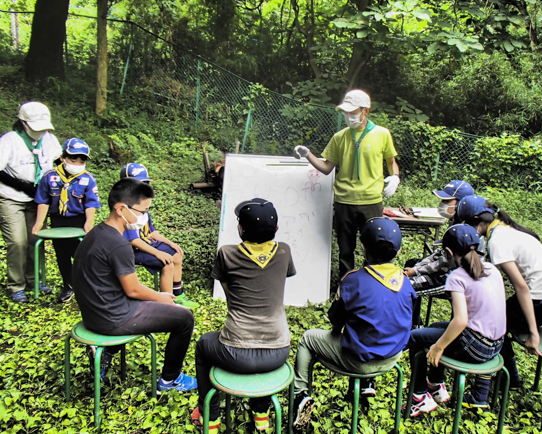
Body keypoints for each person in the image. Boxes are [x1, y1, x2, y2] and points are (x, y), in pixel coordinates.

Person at [71, 178, 196, 392]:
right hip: (112, 317)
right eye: (142, 211)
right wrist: (162, 297)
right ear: (121, 209)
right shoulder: (119, 245)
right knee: (184, 319)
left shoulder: (96, 233)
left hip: (93, 313)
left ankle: (105, 353)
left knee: (156, 305)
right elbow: (134, 289)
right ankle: (170, 380)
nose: (144, 217)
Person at [292, 217, 415, 430]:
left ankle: (299, 395)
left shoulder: (353, 279)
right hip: (393, 357)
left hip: (359, 360)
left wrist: (338, 328)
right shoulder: (407, 283)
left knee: (308, 339)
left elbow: (335, 320)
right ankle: (366, 386)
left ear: (362, 246)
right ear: (400, 250)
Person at [192, 198, 295, 433]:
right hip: (278, 351)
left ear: (240, 229)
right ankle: (261, 416)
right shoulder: (284, 251)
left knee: (202, 345)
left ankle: (211, 417)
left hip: (233, 351)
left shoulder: (226, 253)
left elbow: (230, 296)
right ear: (277, 228)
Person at [456, 194, 542, 393]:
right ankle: (509, 377)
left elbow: (521, 287)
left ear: (476, 222)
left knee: (493, 326)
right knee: (498, 320)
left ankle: (499, 382)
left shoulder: (497, 241)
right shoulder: (508, 229)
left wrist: (533, 333)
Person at [293, 90, 401, 278]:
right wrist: (308, 154)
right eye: (346, 112)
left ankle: (372, 283)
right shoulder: (340, 137)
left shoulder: (382, 134)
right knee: (345, 249)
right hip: (344, 201)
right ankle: (346, 285)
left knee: (374, 246)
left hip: (371, 201)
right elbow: (327, 167)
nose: (348, 116)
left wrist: (395, 177)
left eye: (353, 112)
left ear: (365, 111)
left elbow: (391, 162)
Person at [406, 224, 506, 416]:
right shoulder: (492, 269)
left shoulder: (457, 276)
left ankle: (420, 397)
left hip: (475, 346)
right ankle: (435, 385)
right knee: (435, 327)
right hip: (496, 345)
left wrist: (438, 347)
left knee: (415, 338)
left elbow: (460, 321)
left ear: (449, 252)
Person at [0, 102, 62, 303]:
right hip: (11, 198)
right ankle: (16, 285)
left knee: (36, 239)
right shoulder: (9, 141)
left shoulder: (49, 139)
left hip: (38, 199)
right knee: (18, 242)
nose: (40, 132)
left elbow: (58, 161)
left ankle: (34, 280)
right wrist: (21, 185)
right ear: (24, 123)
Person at [32, 138, 100, 303]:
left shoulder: (87, 179)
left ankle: (86, 286)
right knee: (61, 255)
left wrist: (89, 222)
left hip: (79, 221)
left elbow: (91, 203)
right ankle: (68, 285)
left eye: (81, 160)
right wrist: (39, 223)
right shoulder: (49, 177)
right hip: (58, 221)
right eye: (72, 159)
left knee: (80, 255)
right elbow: (43, 201)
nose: (77, 163)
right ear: (63, 157)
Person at [120, 163, 197, 309]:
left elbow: (151, 231)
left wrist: (171, 243)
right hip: (134, 249)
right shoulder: (125, 209)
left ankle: (178, 294)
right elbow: (133, 240)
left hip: (149, 243)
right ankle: (167, 303)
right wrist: (158, 253)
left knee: (177, 255)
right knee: (167, 264)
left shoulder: (143, 205)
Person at [405, 180, 475, 295]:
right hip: (445, 266)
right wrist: (417, 268)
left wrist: (416, 271)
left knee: (406, 285)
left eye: (447, 201)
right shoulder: (455, 221)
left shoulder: (465, 230)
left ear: (461, 203)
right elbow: (441, 252)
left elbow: (445, 261)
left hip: (452, 276)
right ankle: (412, 313)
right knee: (411, 263)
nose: (442, 204)